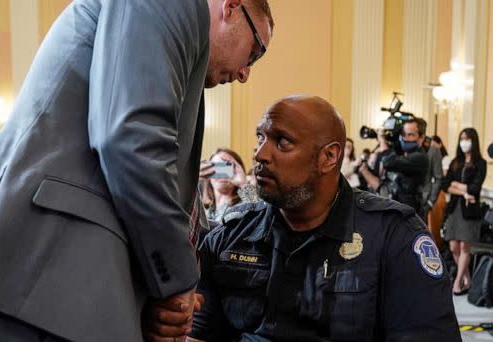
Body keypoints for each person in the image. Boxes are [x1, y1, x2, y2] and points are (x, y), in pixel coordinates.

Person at [0, 0, 274, 341]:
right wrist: (177, 284)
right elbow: (132, 139)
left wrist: (158, 295)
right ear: (231, 7)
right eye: (255, 52)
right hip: (39, 278)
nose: (245, 73)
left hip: (50, 287)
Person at [184, 96, 460, 341]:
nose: (260, 154)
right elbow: (199, 333)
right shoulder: (231, 236)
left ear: (329, 156)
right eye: (260, 138)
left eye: (282, 142)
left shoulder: (394, 236)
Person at [441, 128, 487, 295]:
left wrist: (457, 186)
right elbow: (445, 184)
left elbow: (475, 188)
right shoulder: (456, 161)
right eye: (462, 138)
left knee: (464, 247)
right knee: (453, 247)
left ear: (473, 141)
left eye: (467, 139)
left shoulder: (480, 163)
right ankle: (468, 279)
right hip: (454, 209)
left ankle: (457, 283)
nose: (464, 142)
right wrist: (464, 192)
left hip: (470, 211)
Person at [359, 119, 429, 218]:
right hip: (395, 210)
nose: (405, 138)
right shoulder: (403, 154)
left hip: (409, 214)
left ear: (421, 138)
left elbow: (388, 162)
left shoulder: (420, 157)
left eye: (411, 135)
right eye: (403, 134)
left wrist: (382, 140)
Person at [200, 148, 257, 223]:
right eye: (217, 167)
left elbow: (260, 214)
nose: (222, 173)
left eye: (228, 167)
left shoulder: (245, 206)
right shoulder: (204, 210)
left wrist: (243, 184)